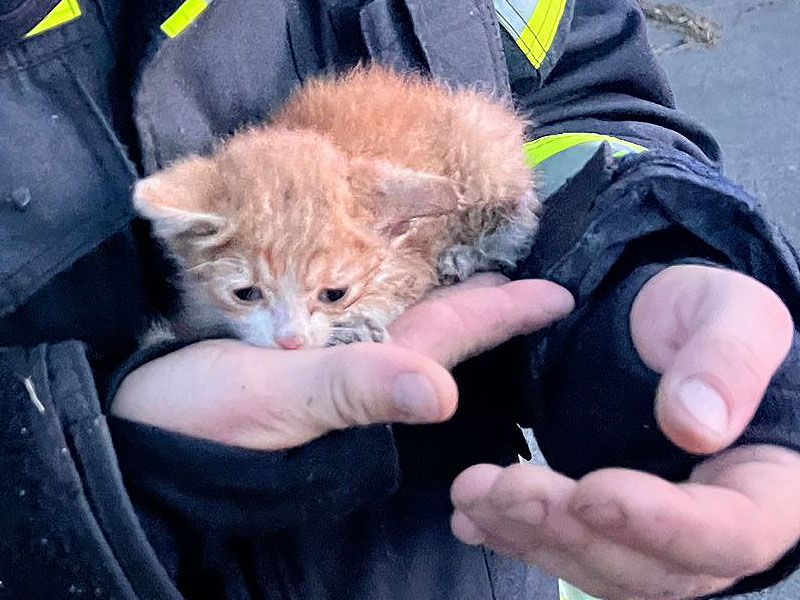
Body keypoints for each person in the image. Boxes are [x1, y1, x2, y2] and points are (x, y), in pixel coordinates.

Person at [1, 0, 799, 599]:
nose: (291, 335)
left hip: (452, 551)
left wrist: (635, 267)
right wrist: (85, 463)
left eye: (331, 294)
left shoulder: (397, 203)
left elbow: (571, 97)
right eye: (247, 293)